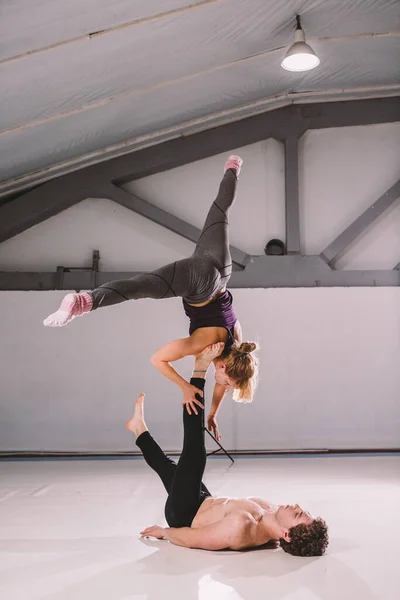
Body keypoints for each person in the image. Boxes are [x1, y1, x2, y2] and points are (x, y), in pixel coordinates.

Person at [43, 156, 259, 432]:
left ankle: (233, 168)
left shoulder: (237, 344)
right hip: (199, 282)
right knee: (139, 286)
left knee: (220, 212)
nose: (223, 387)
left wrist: (212, 414)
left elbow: (220, 384)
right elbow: (158, 359)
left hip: (221, 272)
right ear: (226, 368)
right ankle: (81, 302)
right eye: (227, 383)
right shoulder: (203, 347)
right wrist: (184, 387)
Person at [126, 344, 329, 556]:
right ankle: (138, 429)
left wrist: (166, 533)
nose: (297, 506)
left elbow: (195, 538)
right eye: (303, 510)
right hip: (203, 500)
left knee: (195, 453)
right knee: (169, 468)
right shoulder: (272, 515)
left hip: (184, 513)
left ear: (287, 534)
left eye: (298, 515)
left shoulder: (241, 530)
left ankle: (200, 369)